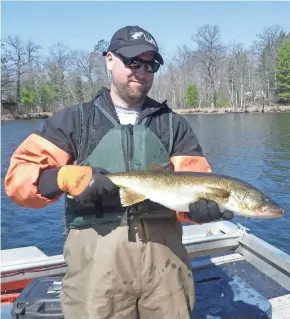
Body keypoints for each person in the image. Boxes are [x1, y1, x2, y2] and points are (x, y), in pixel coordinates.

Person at [5, 25, 234, 319]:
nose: (141, 71)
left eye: (150, 64)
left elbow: (193, 186)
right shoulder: (74, 121)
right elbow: (18, 180)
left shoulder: (174, 125)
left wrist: (199, 211)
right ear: (109, 59)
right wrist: (63, 177)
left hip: (166, 268)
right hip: (96, 269)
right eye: (133, 62)